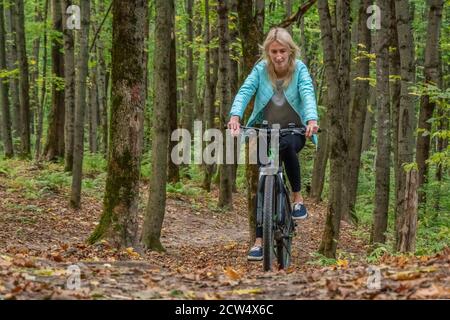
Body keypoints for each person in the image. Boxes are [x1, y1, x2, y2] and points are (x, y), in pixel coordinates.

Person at [227, 27, 319, 261]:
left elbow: (307, 92)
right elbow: (245, 91)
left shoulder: (300, 70)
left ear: (291, 51)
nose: (279, 56)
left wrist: (311, 119)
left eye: (283, 51)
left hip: (294, 128)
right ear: (268, 52)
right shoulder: (260, 70)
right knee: (262, 180)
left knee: (287, 146)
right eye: (274, 51)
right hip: (264, 127)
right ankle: (259, 241)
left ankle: (297, 199)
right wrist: (235, 116)